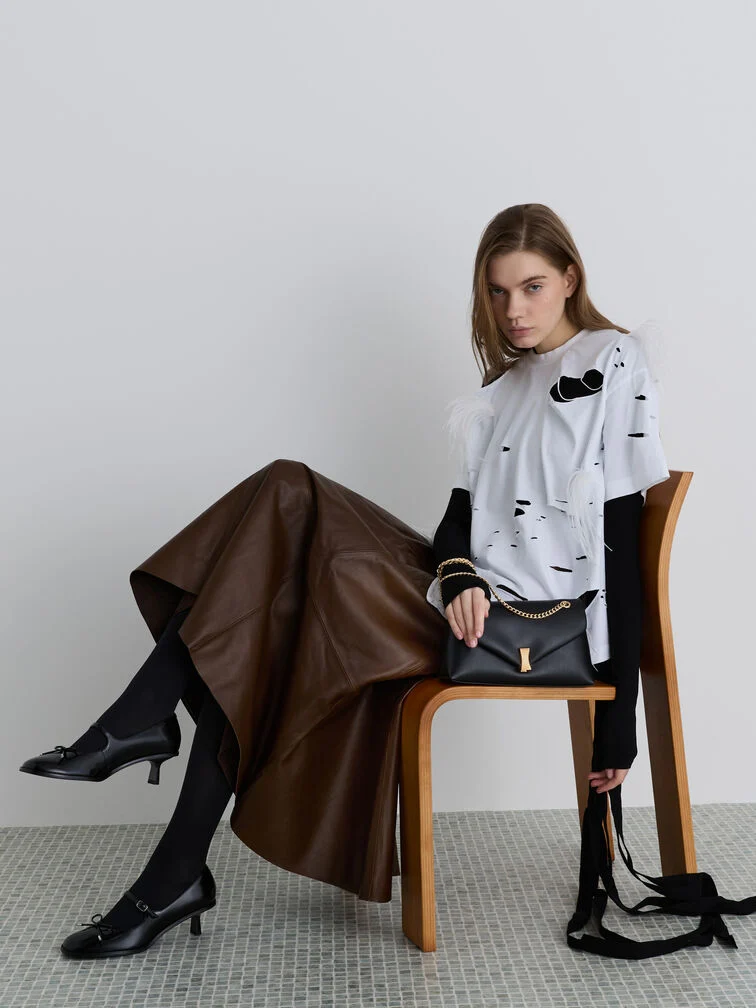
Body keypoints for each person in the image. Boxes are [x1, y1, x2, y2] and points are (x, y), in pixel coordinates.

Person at [22, 203, 749, 963]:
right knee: (282, 500)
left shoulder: (614, 362)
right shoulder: (505, 385)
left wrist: (618, 718)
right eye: (498, 292)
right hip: (464, 596)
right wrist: (458, 572)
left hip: (531, 619)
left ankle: (148, 758)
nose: (514, 310)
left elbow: (622, 543)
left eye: (532, 287)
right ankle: (156, 800)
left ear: (570, 278)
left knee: (274, 582)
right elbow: (456, 524)